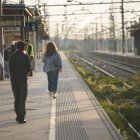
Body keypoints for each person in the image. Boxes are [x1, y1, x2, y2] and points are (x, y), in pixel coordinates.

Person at [9, 41, 31, 124]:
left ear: (16, 47)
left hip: (14, 80)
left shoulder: (12, 57)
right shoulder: (26, 57)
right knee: (22, 99)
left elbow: (10, 68)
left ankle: (18, 115)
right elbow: (29, 70)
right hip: (23, 80)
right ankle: (21, 117)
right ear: (24, 48)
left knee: (16, 98)